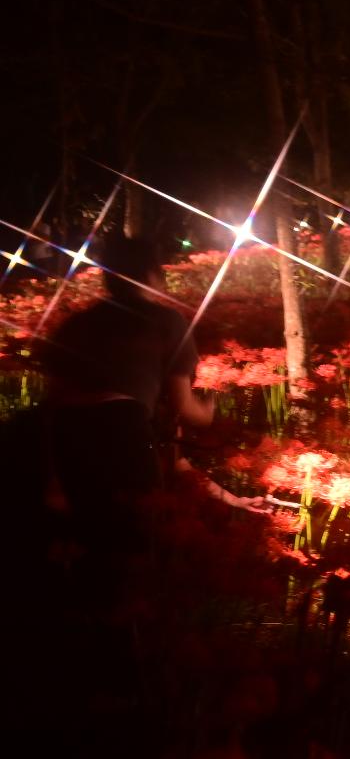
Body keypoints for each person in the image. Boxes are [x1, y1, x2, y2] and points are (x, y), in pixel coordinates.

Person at [37, 228, 216, 557]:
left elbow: (53, 397)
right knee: (137, 529)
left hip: (67, 432)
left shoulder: (77, 324)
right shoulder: (167, 321)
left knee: (83, 531)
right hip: (123, 429)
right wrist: (208, 411)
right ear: (152, 275)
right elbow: (183, 405)